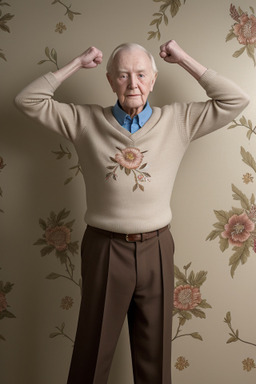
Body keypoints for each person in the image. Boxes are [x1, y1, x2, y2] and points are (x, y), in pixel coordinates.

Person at [15, 40, 249, 384]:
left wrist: (183, 58)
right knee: (91, 357)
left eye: (141, 74)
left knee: (155, 362)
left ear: (153, 79)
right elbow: (28, 101)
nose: (133, 84)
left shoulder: (179, 120)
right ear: (110, 81)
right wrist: (77, 63)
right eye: (123, 75)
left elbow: (236, 100)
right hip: (105, 248)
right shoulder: (84, 121)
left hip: (157, 248)